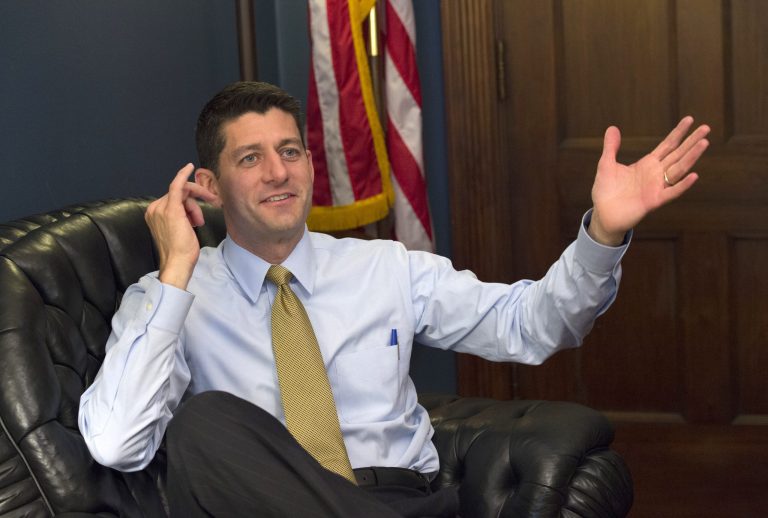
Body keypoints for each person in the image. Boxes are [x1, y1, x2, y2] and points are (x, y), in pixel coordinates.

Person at [78, 81, 710, 517]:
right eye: (252, 158)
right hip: (261, 503)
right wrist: (177, 270)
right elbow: (116, 444)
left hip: (401, 500)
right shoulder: (168, 295)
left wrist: (604, 232)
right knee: (204, 421)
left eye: (290, 150)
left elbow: (532, 326)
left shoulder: (385, 269)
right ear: (209, 184)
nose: (279, 172)